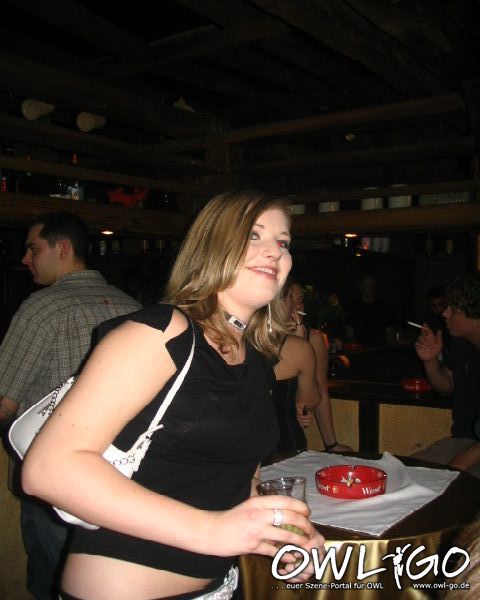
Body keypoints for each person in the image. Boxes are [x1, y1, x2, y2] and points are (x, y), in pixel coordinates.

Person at [22, 190, 325, 600]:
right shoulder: (162, 332)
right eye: (253, 235)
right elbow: (47, 469)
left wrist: (273, 533)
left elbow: (231, 480)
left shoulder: (254, 359)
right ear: (210, 247)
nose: (274, 251)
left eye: (283, 242)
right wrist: (213, 531)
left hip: (220, 587)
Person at [0, 211, 141, 600]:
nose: (25, 259)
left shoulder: (41, 308)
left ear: (61, 249)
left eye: (33, 249)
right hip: (122, 479)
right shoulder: (131, 306)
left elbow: (4, 402)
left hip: (54, 481)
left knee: (52, 585)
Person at [414, 273, 480, 477]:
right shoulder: (462, 344)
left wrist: (453, 470)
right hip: (461, 440)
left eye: (454, 308)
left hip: (474, 451)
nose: (445, 313)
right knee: (405, 473)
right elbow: (447, 386)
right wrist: (431, 360)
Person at [278, 278, 352, 454]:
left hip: (288, 435)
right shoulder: (261, 337)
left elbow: (319, 393)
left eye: (300, 300)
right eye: (292, 298)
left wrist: (331, 444)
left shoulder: (313, 338)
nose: (297, 305)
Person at [344, 274, 397, 347]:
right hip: (360, 351)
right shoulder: (353, 309)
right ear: (360, 287)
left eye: (373, 285)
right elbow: (349, 335)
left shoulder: (384, 308)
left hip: (381, 350)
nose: (372, 288)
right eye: (368, 285)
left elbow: (390, 334)